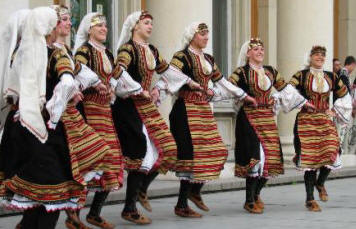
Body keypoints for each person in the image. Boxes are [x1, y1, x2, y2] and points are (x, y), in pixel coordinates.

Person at [0, 7, 86, 229]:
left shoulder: (19, 52)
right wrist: (56, 111)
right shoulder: (54, 53)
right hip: (43, 129)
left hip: (17, 127)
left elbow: (11, 92)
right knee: (53, 193)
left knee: (34, 194)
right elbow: (67, 82)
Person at [112, 11, 201, 224]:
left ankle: (142, 189)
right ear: (135, 26)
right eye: (146, 23)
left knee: (170, 148)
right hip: (129, 106)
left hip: (146, 106)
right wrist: (137, 89)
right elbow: (119, 71)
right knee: (140, 153)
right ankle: (129, 207)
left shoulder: (151, 50)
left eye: (151, 23)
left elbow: (168, 71)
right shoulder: (128, 49)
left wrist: (187, 82)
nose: (150, 26)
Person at [163, 22, 256, 218]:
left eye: (207, 34)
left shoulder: (208, 59)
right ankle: (181, 204)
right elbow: (171, 76)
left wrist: (241, 95)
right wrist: (189, 85)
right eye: (202, 34)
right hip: (185, 110)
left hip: (203, 110)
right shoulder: (182, 56)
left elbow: (222, 81)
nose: (206, 37)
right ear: (192, 36)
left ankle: (194, 192)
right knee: (188, 157)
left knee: (218, 151)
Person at [228, 38, 312, 214]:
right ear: (248, 53)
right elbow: (228, 88)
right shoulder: (241, 72)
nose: (260, 52)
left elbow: (287, 90)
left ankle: (256, 193)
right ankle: (249, 200)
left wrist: (303, 102)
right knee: (255, 157)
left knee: (272, 158)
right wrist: (243, 96)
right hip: (249, 117)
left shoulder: (271, 71)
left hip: (267, 118)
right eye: (256, 49)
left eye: (262, 49)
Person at [73, 12, 124, 229]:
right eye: (99, 26)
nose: (104, 29)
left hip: (105, 112)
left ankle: (95, 213)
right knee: (89, 161)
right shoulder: (84, 51)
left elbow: (117, 76)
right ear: (89, 30)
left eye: (105, 26)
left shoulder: (108, 54)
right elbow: (79, 70)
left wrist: (114, 87)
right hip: (89, 112)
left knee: (111, 160)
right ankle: (73, 215)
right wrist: (96, 83)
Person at [290, 45, 352, 211]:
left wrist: (335, 110)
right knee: (310, 159)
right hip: (306, 120)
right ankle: (310, 199)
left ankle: (320, 183)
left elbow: (345, 93)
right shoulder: (301, 75)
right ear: (310, 57)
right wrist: (302, 102)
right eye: (316, 54)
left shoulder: (331, 76)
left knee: (333, 150)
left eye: (323, 55)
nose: (320, 57)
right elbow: (288, 91)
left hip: (324, 119)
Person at [335, 56, 356, 156]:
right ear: (352, 65)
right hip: (342, 107)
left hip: (344, 106)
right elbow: (343, 91)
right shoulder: (343, 73)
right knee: (341, 130)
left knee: (344, 130)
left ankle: (342, 151)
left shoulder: (345, 74)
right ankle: (340, 152)